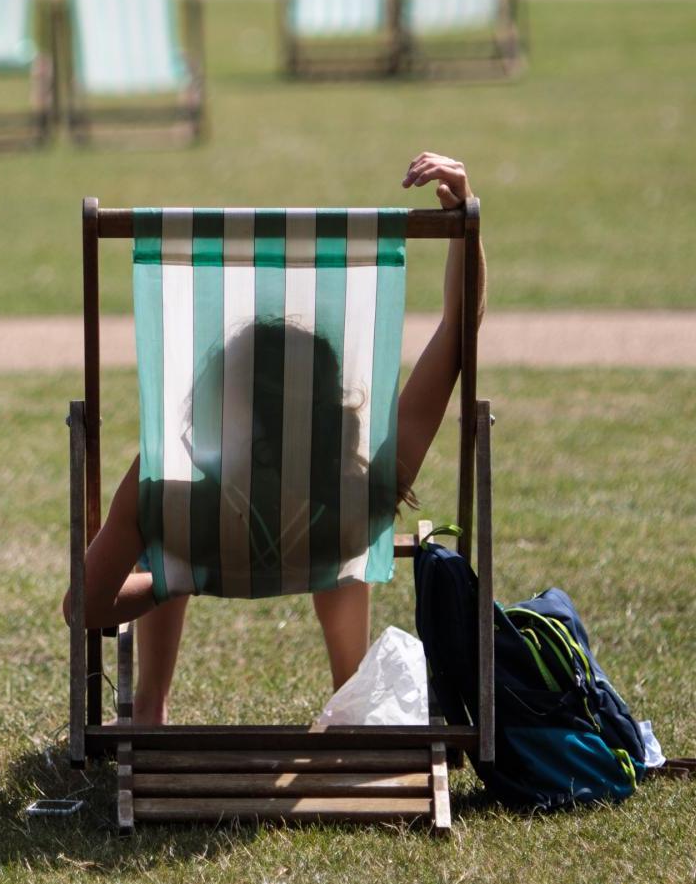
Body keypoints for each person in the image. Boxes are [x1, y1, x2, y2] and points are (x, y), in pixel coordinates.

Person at [67, 150, 487, 723]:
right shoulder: (365, 492)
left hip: (201, 542)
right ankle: (350, 699)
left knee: (158, 537)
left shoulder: (169, 499)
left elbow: (84, 608)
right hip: (327, 535)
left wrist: (179, 577)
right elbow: (458, 333)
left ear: (220, 406)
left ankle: (150, 708)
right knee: (341, 543)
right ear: (327, 401)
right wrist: (466, 222)